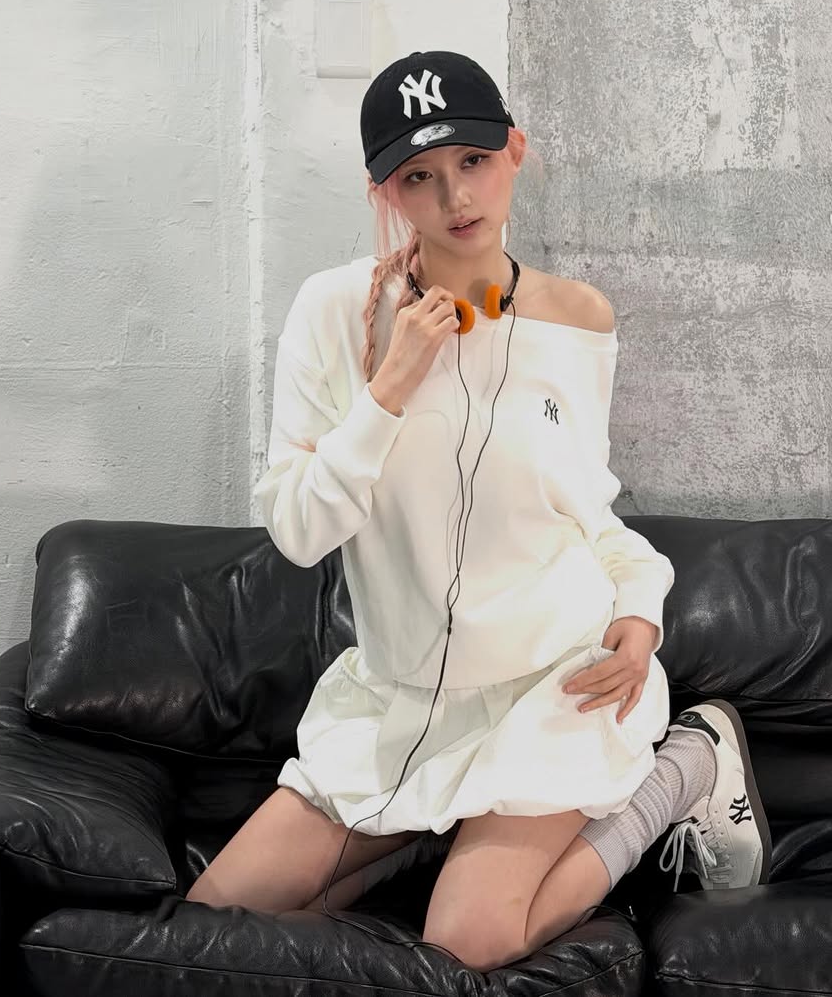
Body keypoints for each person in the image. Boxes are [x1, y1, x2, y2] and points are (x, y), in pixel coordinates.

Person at [185, 49, 771, 971]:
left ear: (515, 152)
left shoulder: (579, 320)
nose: (455, 196)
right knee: (213, 922)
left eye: (473, 160)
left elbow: (587, 509)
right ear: (384, 193)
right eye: (418, 176)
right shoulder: (334, 313)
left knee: (466, 940)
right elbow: (298, 532)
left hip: (553, 685)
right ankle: (435, 831)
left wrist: (638, 613)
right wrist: (388, 390)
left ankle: (682, 770)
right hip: (402, 706)